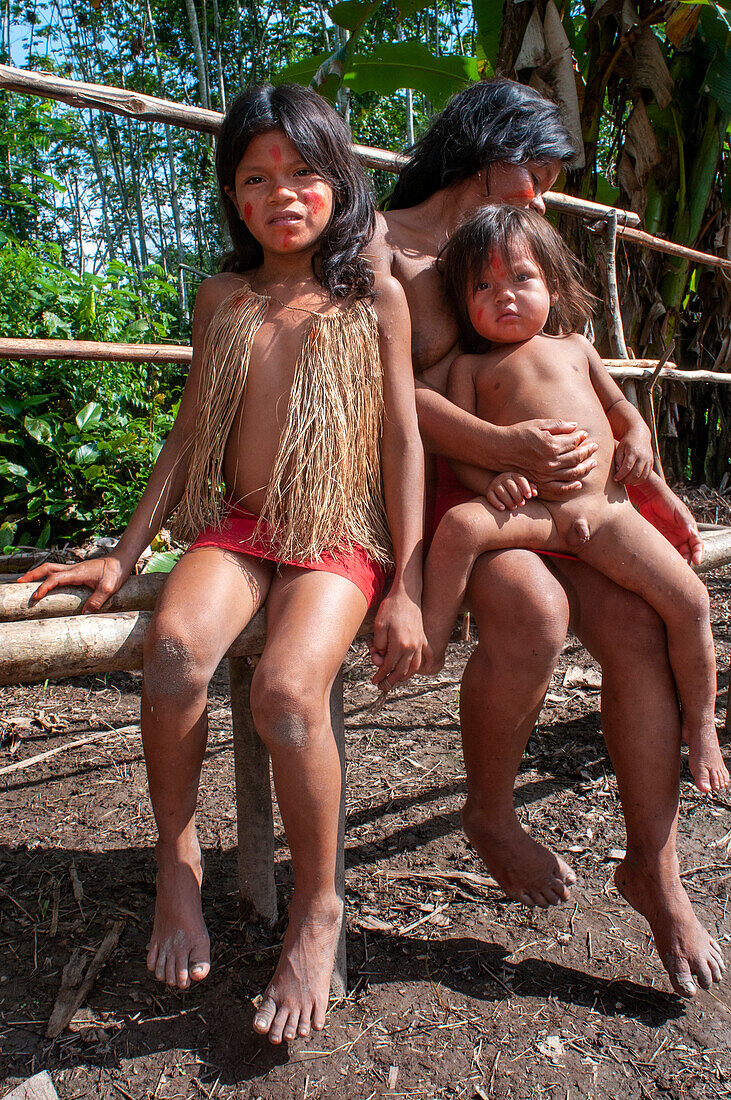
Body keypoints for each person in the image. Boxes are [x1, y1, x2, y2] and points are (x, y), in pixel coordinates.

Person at [19, 83, 427, 1043]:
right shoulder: (223, 297)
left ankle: (318, 904)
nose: (282, 193)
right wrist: (123, 558)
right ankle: (177, 860)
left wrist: (404, 584)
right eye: (256, 177)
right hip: (239, 527)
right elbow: (189, 429)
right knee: (171, 656)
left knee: (287, 695)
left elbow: (405, 440)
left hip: (334, 533)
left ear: (341, 184)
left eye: (303, 172)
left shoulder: (373, 299)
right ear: (233, 198)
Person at [371, 76, 726, 997]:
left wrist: (642, 470)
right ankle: (488, 816)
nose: (537, 194)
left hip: (562, 491)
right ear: (490, 152)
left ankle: (654, 866)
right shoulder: (389, 246)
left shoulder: (516, 250)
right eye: (531, 172)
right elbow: (384, 393)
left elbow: (580, 377)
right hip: (450, 484)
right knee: (529, 610)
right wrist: (500, 445)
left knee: (643, 631)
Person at [422, 204, 728, 797]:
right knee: (462, 524)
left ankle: (703, 725)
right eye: (482, 286)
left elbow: (621, 411)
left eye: (521, 278)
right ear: (464, 304)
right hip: (537, 515)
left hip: (609, 514)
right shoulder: (470, 367)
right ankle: (433, 637)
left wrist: (637, 439)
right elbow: (461, 446)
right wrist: (490, 484)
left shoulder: (577, 348)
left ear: (554, 285)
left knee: (690, 600)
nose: (503, 296)